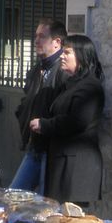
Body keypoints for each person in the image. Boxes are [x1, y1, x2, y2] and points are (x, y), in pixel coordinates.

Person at [30, 35, 105, 205]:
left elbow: (76, 121)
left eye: (67, 53)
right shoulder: (73, 84)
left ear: (81, 56)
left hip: (76, 168)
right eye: (62, 52)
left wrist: (44, 124)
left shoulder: (90, 87)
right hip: (63, 163)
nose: (62, 56)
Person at [11, 18, 67, 191]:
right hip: (34, 147)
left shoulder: (63, 71)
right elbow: (28, 98)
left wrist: (45, 125)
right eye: (36, 36)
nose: (36, 41)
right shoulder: (38, 69)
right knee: (14, 196)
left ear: (57, 42)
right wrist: (22, 113)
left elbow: (65, 111)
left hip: (51, 152)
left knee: (44, 206)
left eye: (42, 36)